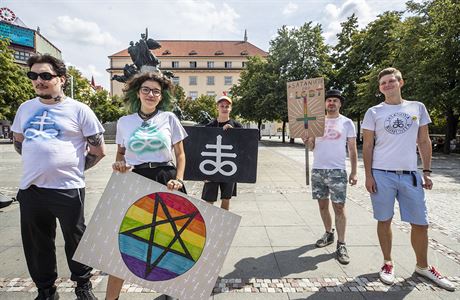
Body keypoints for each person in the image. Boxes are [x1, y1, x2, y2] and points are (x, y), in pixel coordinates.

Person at [11, 54, 106, 300]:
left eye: (45, 75)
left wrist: (71, 167)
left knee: (76, 239)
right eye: (33, 75)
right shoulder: (25, 108)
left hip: (67, 188)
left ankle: (83, 286)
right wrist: (40, 162)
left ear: (61, 79)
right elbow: (19, 141)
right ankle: (46, 290)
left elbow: (98, 150)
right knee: (37, 243)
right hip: (31, 189)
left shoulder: (79, 109)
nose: (38, 80)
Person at [362, 67, 455, 291]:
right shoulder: (374, 112)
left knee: (421, 223)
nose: (387, 85)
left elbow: (424, 141)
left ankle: (422, 266)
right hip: (382, 174)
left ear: (401, 82)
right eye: (383, 83)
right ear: (379, 88)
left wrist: (427, 171)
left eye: (391, 81)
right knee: (384, 220)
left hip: (410, 175)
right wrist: (368, 175)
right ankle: (387, 263)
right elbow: (367, 145)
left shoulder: (417, 107)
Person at [106, 71, 187, 300]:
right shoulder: (124, 122)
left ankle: (172, 292)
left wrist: (179, 180)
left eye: (156, 91)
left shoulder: (170, 118)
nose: (151, 94)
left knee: (170, 243)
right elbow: (121, 154)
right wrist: (120, 164)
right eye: (146, 90)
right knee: (124, 243)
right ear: (137, 93)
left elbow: (180, 155)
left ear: (161, 97)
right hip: (133, 181)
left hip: (165, 179)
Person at [306, 89, 358, 265]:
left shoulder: (347, 122)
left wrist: (354, 171)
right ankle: (328, 233)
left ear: (340, 104)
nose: (331, 103)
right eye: (329, 100)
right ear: (325, 103)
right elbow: (311, 147)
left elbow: (352, 148)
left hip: (337, 171)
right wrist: (306, 140)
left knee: (339, 208)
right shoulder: (316, 121)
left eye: (335, 100)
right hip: (318, 170)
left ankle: (341, 244)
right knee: (322, 206)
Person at [201, 95, 242, 210]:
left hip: (230, 167)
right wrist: (202, 173)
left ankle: (223, 225)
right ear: (217, 108)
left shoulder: (237, 126)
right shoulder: (210, 126)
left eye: (227, 106)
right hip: (211, 167)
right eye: (222, 106)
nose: (224, 108)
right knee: (209, 199)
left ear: (230, 109)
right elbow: (202, 148)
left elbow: (244, 145)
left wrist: (233, 133)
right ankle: (208, 224)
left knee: (226, 197)